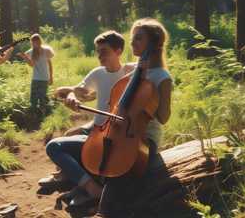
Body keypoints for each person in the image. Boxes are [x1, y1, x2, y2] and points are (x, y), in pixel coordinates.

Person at [45, 30, 135, 209]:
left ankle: (78, 180)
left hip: (115, 133)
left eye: (104, 51)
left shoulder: (131, 72)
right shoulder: (98, 73)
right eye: (98, 51)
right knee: (55, 145)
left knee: (63, 145)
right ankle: (89, 186)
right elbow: (78, 89)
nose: (100, 55)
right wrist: (72, 96)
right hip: (96, 129)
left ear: (118, 51)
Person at [98, 18, 172, 217]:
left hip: (144, 138)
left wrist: (149, 102)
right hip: (122, 132)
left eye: (138, 38)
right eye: (132, 39)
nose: (132, 43)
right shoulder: (136, 71)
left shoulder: (162, 77)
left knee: (121, 171)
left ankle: (106, 210)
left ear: (154, 43)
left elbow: (164, 118)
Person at [17, 34, 54, 113]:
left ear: (39, 41)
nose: (34, 44)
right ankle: (34, 114)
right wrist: (25, 57)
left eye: (36, 42)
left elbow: (50, 65)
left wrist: (51, 77)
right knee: (33, 98)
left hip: (45, 78)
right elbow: (31, 64)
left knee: (42, 97)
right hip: (35, 78)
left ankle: (43, 114)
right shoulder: (31, 52)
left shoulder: (46, 50)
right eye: (33, 43)